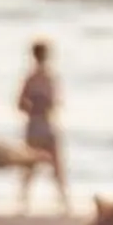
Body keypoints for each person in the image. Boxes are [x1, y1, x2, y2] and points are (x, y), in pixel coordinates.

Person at [16, 39, 68, 211]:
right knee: (31, 164)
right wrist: (34, 106)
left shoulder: (49, 77)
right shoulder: (33, 78)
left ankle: (63, 201)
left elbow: (56, 103)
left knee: (56, 164)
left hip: (46, 124)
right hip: (36, 124)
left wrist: (46, 106)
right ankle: (24, 201)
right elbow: (20, 104)